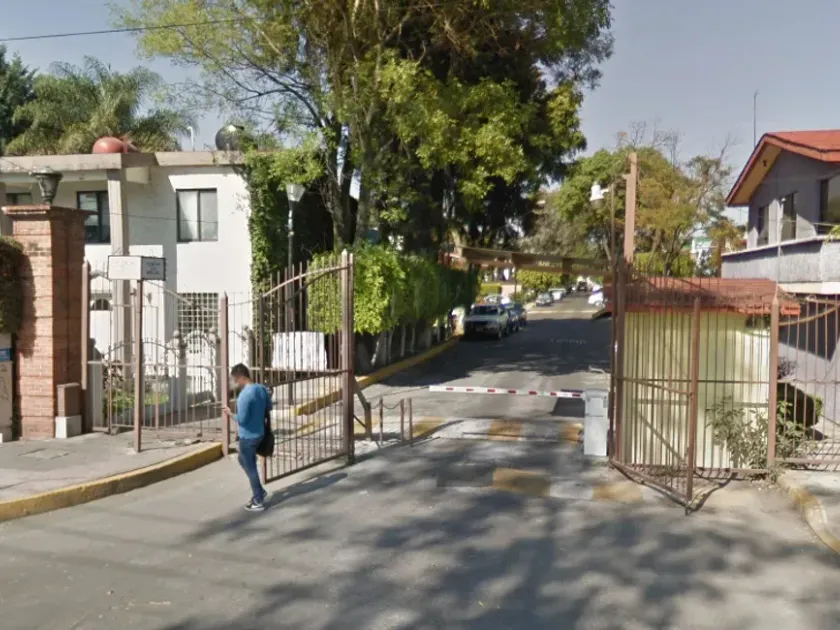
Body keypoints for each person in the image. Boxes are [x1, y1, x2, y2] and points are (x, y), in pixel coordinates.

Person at [223, 364, 272, 511]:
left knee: (251, 468)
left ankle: (258, 500)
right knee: (242, 459)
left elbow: (242, 420)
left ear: (241, 378)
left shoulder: (244, 396)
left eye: (235, 379)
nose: (234, 383)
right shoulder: (261, 389)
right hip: (260, 433)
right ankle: (259, 491)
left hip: (247, 437)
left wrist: (230, 414)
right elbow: (269, 407)